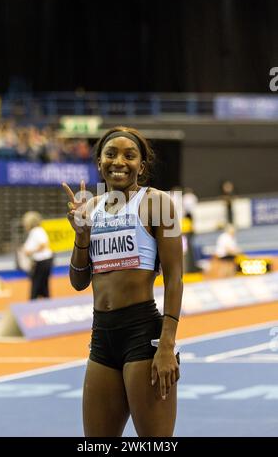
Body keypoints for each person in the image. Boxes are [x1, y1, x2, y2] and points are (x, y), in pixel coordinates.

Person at [62, 126, 183, 437]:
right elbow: (78, 282)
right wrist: (82, 238)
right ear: (100, 163)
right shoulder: (89, 208)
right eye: (111, 154)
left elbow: (175, 279)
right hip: (102, 336)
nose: (119, 161)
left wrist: (167, 344)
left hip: (143, 335)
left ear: (141, 166)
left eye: (130, 156)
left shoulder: (159, 204)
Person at [22, 211, 53, 300]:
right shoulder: (36, 231)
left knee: (36, 286)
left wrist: (30, 251)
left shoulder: (37, 231)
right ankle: (46, 302)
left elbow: (43, 244)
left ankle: (32, 305)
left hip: (42, 261)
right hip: (42, 261)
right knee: (42, 286)